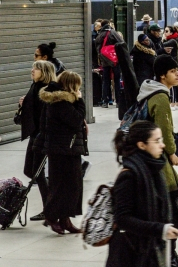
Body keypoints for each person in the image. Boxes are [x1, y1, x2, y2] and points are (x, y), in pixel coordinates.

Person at [107, 121, 178, 267]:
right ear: (142, 145)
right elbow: (123, 218)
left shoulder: (154, 169)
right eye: (157, 141)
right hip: (130, 255)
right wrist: (160, 229)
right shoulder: (129, 176)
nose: (162, 145)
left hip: (149, 251)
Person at [137, 54, 178, 265]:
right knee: (176, 208)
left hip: (149, 157)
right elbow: (165, 130)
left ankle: (167, 252)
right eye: (173, 72)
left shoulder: (149, 92)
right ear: (163, 76)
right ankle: (168, 253)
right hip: (160, 160)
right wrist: (172, 152)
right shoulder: (161, 97)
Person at [37, 71, 86, 235]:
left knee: (72, 186)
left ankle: (65, 219)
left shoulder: (61, 101)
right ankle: (51, 217)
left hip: (67, 149)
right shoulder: (61, 102)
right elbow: (77, 120)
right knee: (61, 186)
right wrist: (80, 100)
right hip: (62, 150)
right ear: (72, 86)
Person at [20, 61, 56, 223]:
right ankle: (51, 205)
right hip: (35, 135)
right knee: (30, 171)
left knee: (36, 173)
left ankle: (50, 209)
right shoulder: (34, 86)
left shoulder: (47, 90)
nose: (32, 70)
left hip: (42, 136)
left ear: (44, 71)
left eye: (36, 68)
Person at [95, 20, 123, 108]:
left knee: (105, 81)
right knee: (117, 80)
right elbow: (121, 44)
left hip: (105, 61)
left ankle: (105, 101)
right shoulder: (113, 33)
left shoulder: (100, 35)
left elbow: (98, 48)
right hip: (115, 60)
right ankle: (118, 101)